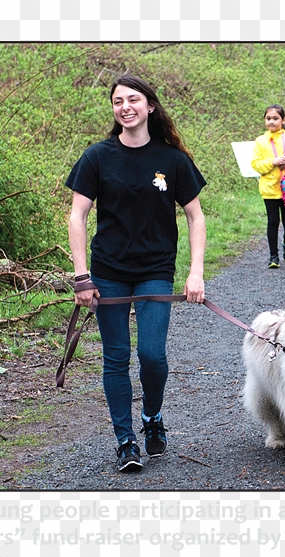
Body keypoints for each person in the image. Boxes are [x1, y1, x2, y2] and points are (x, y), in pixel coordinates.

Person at [66, 75, 207, 472]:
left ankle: (152, 417)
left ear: (149, 107)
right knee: (116, 357)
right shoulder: (97, 157)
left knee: (151, 355)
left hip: (155, 271)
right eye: (117, 101)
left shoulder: (173, 160)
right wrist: (81, 275)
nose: (124, 106)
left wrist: (195, 273)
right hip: (108, 271)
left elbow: (195, 216)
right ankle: (125, 440)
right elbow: (77, 214)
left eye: (132, 99)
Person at [250, 105, 285, 268]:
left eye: (275, 119)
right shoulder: (260, 141)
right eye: (268, 119)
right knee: (273, 221)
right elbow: (255, 163)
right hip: (269, 188)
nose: (271, 122)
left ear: (283, 120)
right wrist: (272, 162)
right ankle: (273, 256)